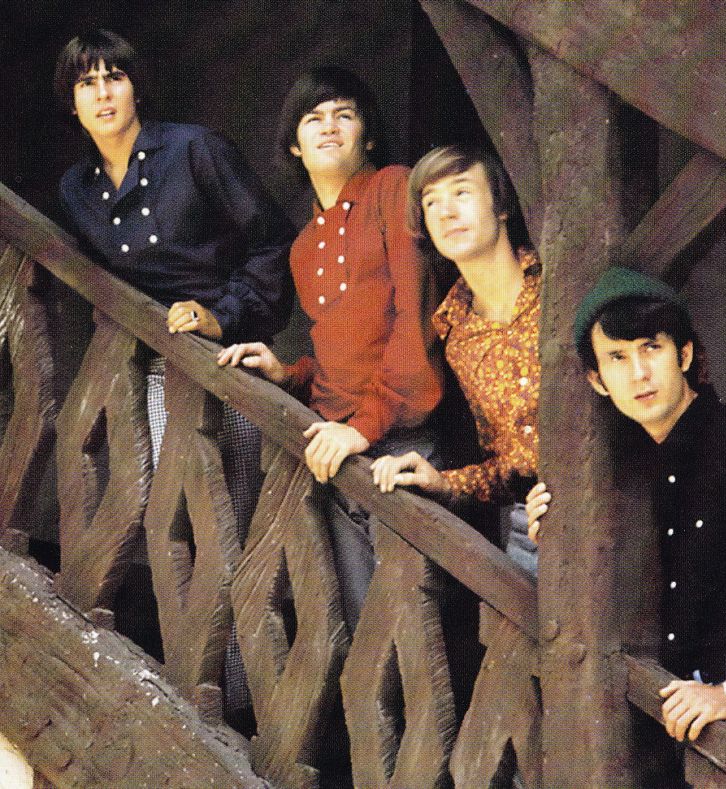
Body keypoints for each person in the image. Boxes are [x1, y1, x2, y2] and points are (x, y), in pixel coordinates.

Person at [55, 29, 294, 730]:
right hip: (158, 373)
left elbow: (273, 243)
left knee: (236, 527)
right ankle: (197, 692)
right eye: (87, 83)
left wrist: (223, 315)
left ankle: (248, 710)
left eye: (115, 77)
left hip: (230, 362)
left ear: (137, 86)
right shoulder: (77, 190)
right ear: (72, 102)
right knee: (174, 524)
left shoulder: (194, 150)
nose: (103, 93)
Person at [217, 67, 443, 632]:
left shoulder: (393, 187)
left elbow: (416, 322)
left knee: (411, 627)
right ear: (295, 146)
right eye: (313, 118)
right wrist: (290, 374)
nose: (329, 126)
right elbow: (346, 349)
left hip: (401, 442)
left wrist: (362, 429)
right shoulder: (302, 247)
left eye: (345, 114)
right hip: (338, 446)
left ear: (369, 135)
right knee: (360, 624)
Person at [574, 266, 726, 759]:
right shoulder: (622, 472)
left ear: (685, 354)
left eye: (651, 348)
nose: (638, 373)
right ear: (597, 381)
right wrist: (556, 526)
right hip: (671, 714)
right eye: (617, 357)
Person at [369, 145, 549, 577]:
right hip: (531, 527)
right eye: (431, 203)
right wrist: (445, 482)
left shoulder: (555, 283)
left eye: (462, 192)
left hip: (615, 506)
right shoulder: (456, 333)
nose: (446, 212)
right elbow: (508, 468)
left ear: (501, 206)